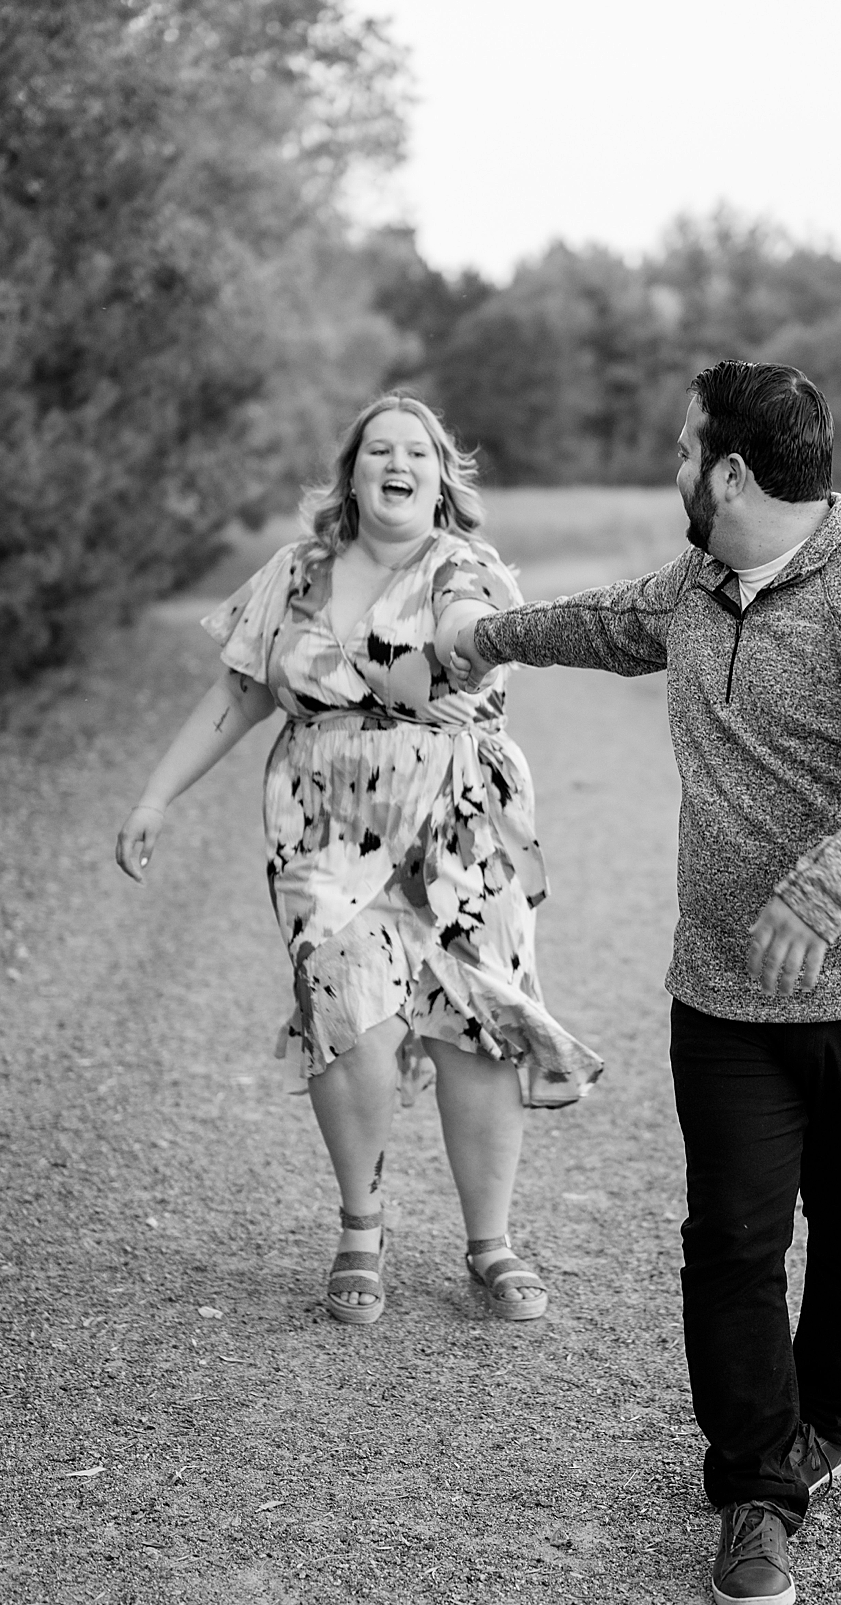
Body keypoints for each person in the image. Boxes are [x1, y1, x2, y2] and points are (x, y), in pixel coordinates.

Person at [436, 360, 841, 1605]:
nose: (674, 468)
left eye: (686, 451)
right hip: (725, 994)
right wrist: (480, 638)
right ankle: (756, 1491)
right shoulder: (693, 589)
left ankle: (825, 1427)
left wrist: (821, 890)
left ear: (733, 472)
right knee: (729, 1240)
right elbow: (594, 624)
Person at [115, 393, 600, 1328]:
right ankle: (360, 1226)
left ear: (440, 474)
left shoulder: (470, 569)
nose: (397, 461)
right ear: (353, 473)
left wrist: (450, 653)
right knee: (348, 1013)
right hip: (323, 830)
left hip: (462, 824)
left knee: (479, 1020)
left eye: (416, 449)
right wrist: (155, 796)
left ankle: (490, 1243)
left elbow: (466, 631)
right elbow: (239, 693)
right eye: (379, 448)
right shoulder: (296, 575)